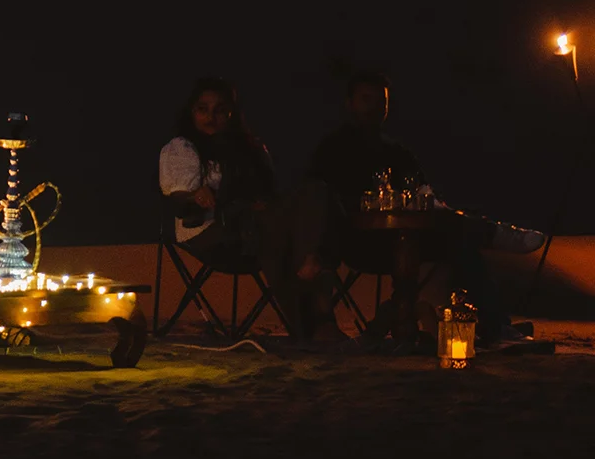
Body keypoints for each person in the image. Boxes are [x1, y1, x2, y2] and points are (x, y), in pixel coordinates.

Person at [306, 72, 540, 346]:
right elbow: (316, 201)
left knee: (460, 243)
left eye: (381, 101)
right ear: (350, 104)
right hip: (359, 243)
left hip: (410, 238)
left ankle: (496, 327)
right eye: (366, 99)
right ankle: (488, 235)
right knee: (435, 237)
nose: (375, 108)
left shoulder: (398, 153)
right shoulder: (332, 150)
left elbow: (423, 193)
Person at [159, 77, 332, 338]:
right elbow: (179, 201)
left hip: (255, 230)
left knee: (314, 191)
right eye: (202, 109)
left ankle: (309, 263)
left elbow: (268, 192)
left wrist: (259, 203)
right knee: (274, 236)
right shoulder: (183, 148)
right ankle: (314, 321)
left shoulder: (250, 149)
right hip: (208, 233)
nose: (211, 117)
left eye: (219, 110)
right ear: (191, 111)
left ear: (231, 113)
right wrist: (195, 196)